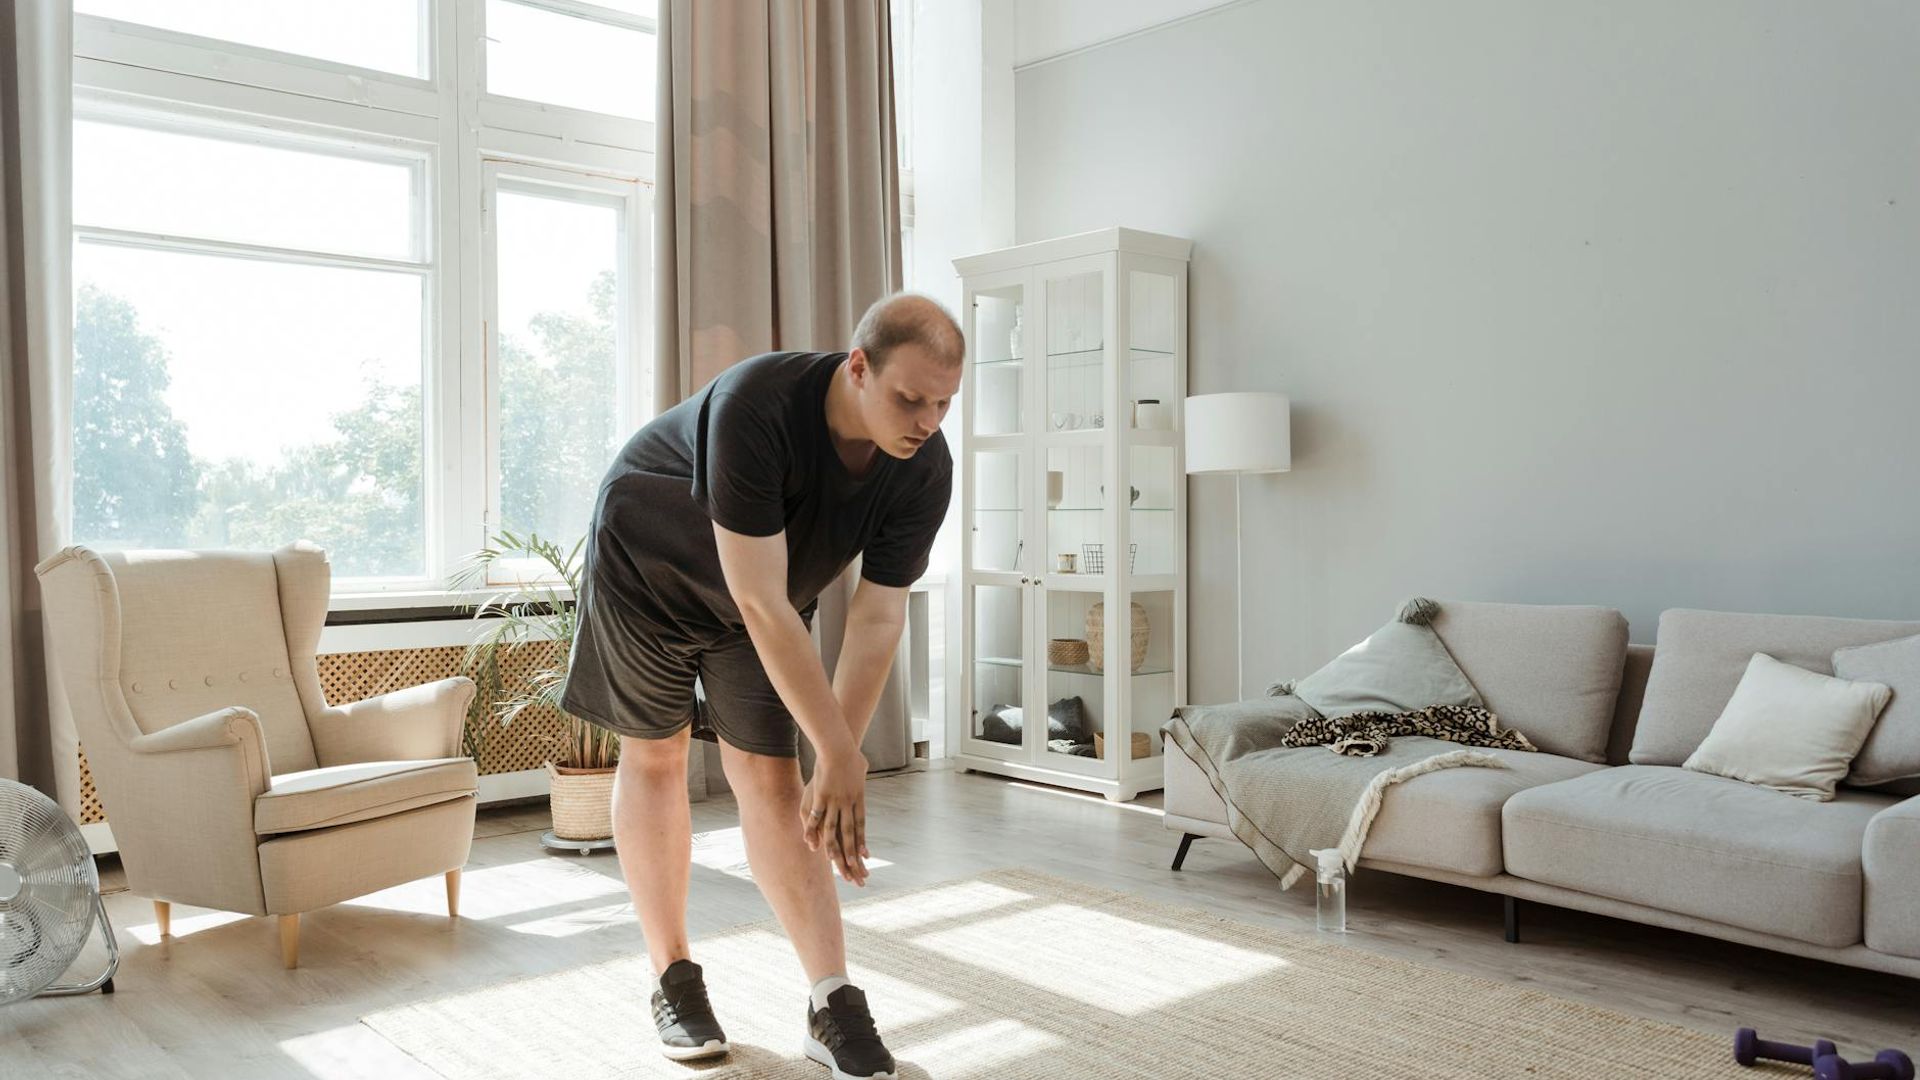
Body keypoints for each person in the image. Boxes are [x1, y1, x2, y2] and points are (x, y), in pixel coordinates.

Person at [559, 293, 963, 1080]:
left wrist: (834, 759)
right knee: (656, 757)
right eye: (909, 398)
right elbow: (759, 599)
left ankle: (832, 999)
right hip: (649, 570)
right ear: (858, 368)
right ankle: (673, 980)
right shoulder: (759, 406)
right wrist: (840, 751)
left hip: (763, 599)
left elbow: (878, 618)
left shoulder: (924, 470)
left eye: (943, 403)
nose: (925, 420)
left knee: (776, 779)